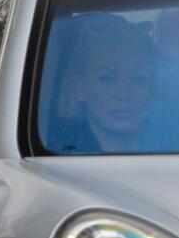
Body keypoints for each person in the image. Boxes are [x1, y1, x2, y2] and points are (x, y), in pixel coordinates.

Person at [44, 15, 156, 154]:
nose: (123, 93)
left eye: (138, 78)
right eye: (107, 78)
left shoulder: (178, 143)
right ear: (81, 89)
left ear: (153, 89)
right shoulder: (53, 152)